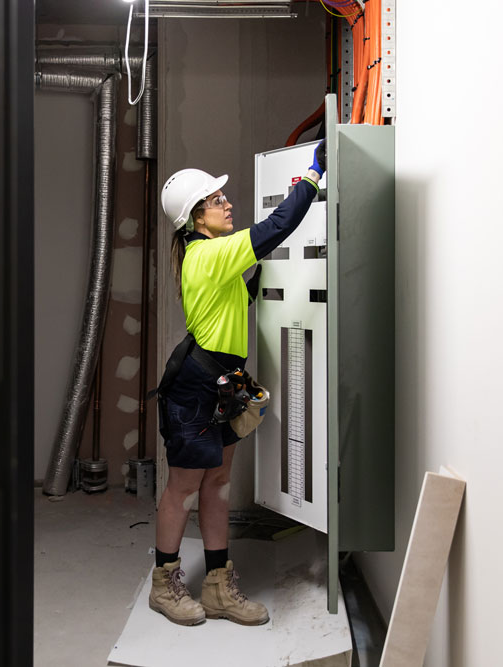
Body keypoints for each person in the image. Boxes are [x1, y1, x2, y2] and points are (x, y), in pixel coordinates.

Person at [148, 143, 326, 626]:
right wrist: (312, 177)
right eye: (217, 200)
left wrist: (259, 283)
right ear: (196, 219)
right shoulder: (208, 254)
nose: (227, 203)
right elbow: (275, 228)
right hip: (194, 387)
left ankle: (218, 588)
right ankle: (163, 586)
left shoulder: (211, 257)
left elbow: (229, 303)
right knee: (183, 488)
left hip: (221, 384)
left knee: (218, 481)